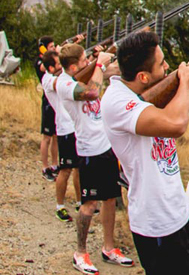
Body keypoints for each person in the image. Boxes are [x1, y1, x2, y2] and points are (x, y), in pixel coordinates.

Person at [101, 31, 189, 275]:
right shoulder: (116, 101)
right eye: (162, 63)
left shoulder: (150, 86)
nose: (168, 66)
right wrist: (184, 79)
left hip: (179, 213)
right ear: (143, 76)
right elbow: (176, 125)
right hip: (155, 225)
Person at [57, 43, 133, 274]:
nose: (87, 63)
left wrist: (116, 56)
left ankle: (108, 248)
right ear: (72, 66)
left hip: (107, 146)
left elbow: (111, 72)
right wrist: (99, 63)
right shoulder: (64, 84)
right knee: (89, 205)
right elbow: (91, 92)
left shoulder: (86, 74)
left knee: (110, 199)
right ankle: (80, 253)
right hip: (89, 151)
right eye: (83, 61)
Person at [41, 50, 81, 222]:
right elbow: (62, 83)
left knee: (79, 168)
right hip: (65, 129)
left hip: (76, 126)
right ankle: (60, 206)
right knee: (65, 170)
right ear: (51, 67)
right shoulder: (48, 79)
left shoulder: (61, 77)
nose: (61, 67)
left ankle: (81, 201)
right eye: (59, 64)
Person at [35, 36, 59, 181]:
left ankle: (55, 164)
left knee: (56, 136)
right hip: (47, 102)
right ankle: (45, 166)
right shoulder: (40, 60)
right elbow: (43, 67)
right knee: (47, 137)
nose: (53, 48)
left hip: (56, 100)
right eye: (51, 46)